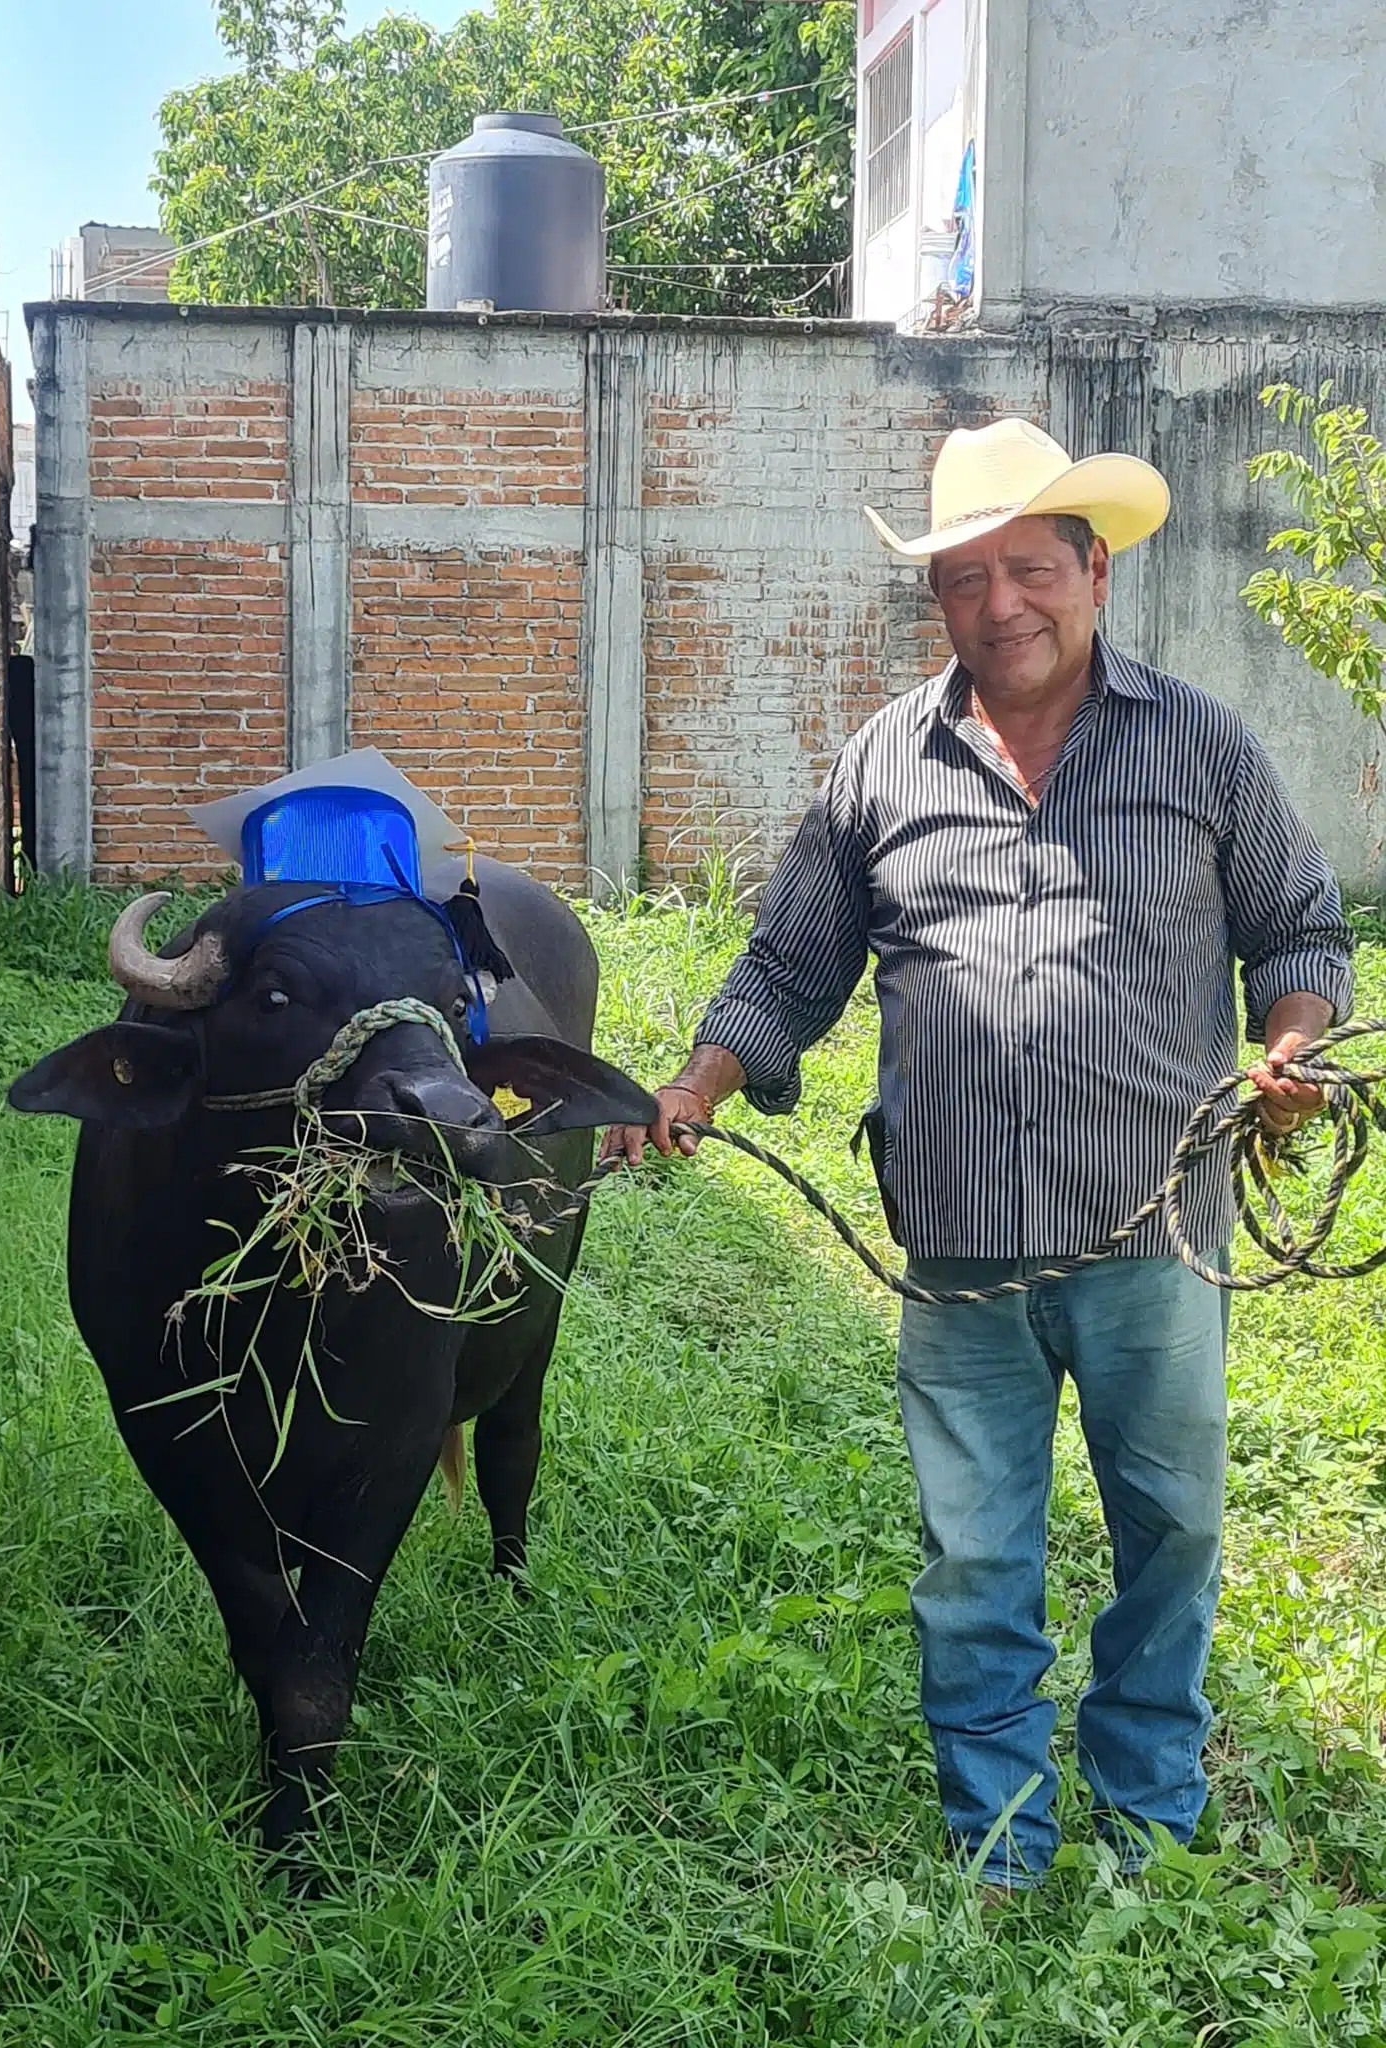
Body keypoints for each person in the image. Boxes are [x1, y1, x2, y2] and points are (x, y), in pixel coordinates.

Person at [602, 418, 1355, 1891]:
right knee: (974, 1560)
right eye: (963, 579)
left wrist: (1292, 1046)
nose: (998, 602)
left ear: (1095, 572)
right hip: (959, 1252)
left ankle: (1149, 1827)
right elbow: (788, 967)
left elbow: (1304, 927)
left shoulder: (1199, 743)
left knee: (1174, 1534)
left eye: (1028, 568)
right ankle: (1000, 1842)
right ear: (937, 598)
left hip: (1157, 1238)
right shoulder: (886, 758)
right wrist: (692, 1082)